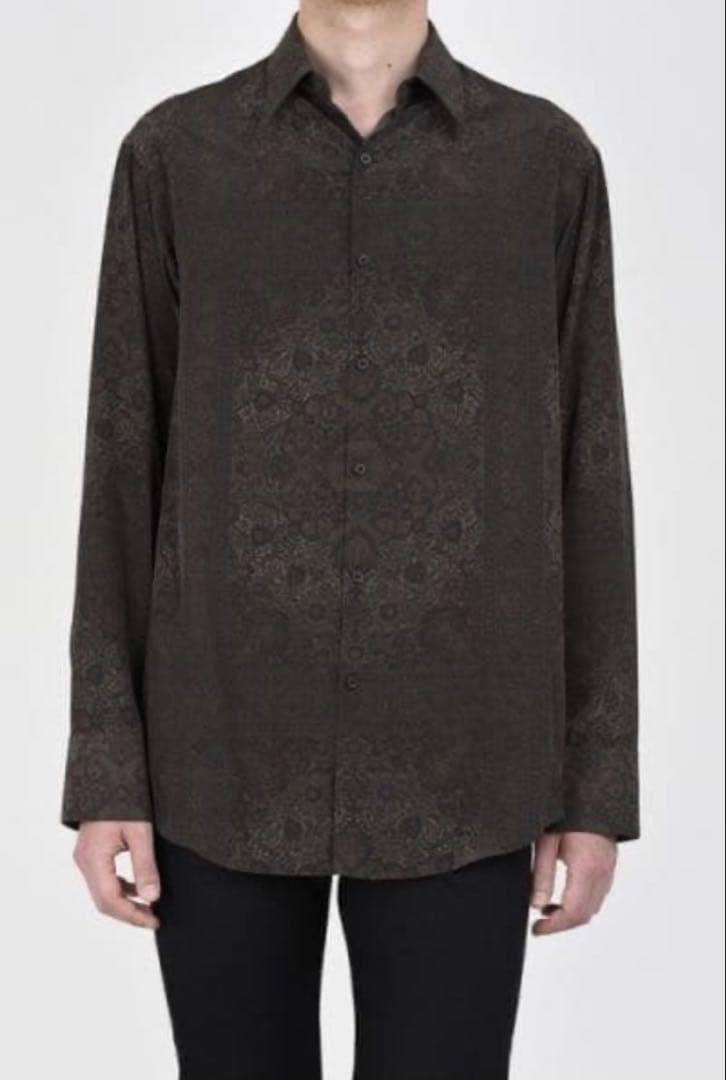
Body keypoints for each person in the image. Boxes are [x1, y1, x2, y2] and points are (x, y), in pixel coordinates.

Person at [60, 1, 640, 1076]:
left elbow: (589, 467)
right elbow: (122, 462)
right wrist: (105, 772)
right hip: (217, 751)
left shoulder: (542, 162)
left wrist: (594, 788)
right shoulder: (178, 155)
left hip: (467, 759)